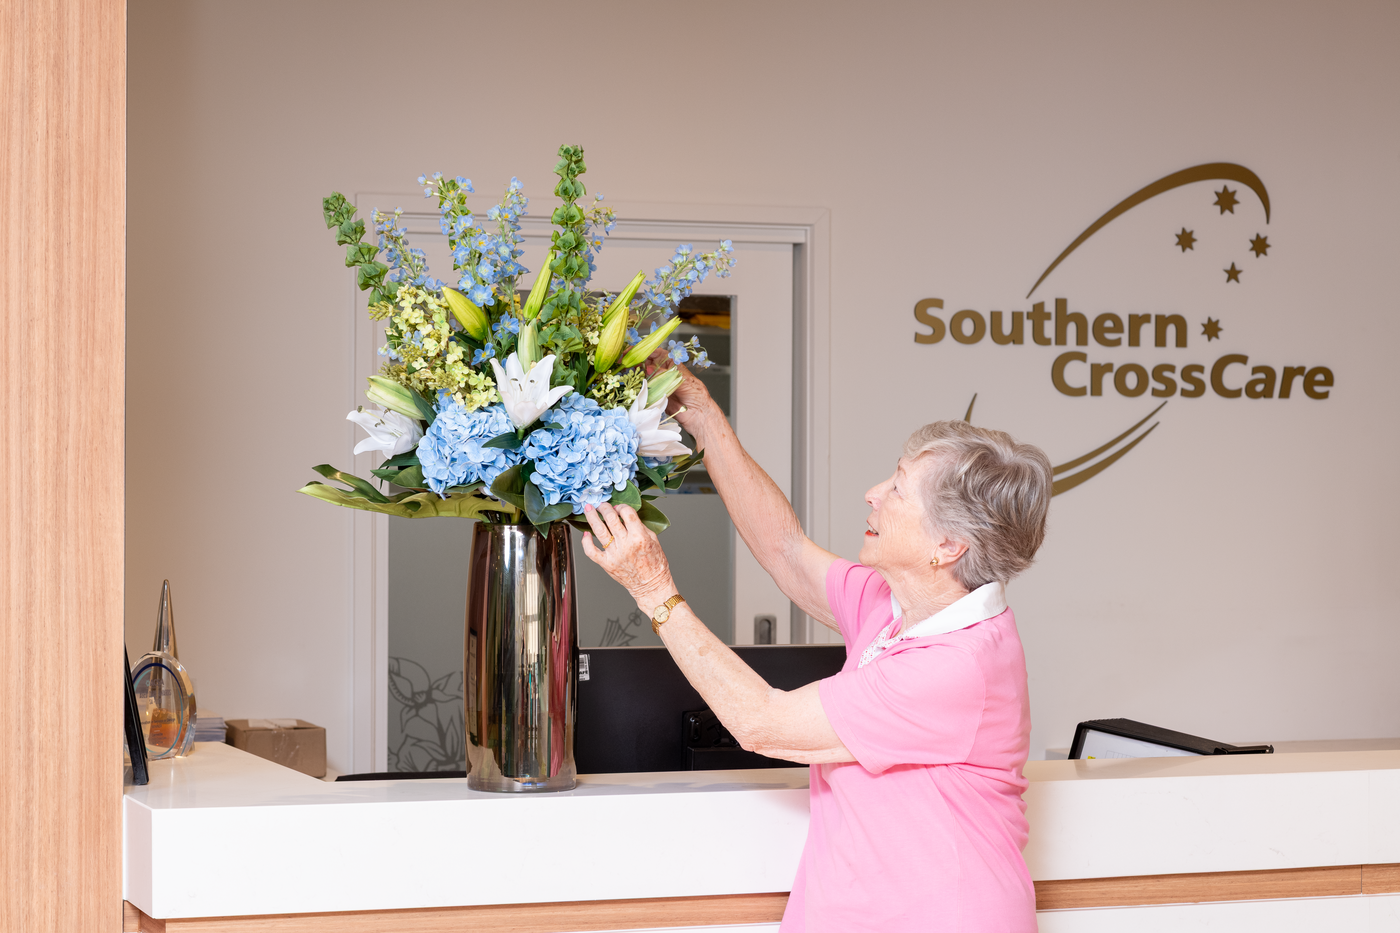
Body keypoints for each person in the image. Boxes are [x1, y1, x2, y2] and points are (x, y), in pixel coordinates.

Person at [581, 362, 1052, 933]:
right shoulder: (896, 602)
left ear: (948, 545)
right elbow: (784, 548)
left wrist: (653, 589)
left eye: (898, 489)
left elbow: (761, 723)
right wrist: (703, 417)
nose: (872, 494)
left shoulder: (956, 667)